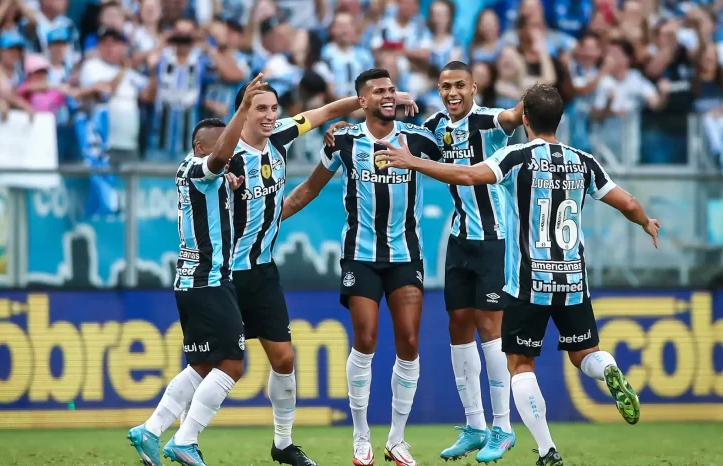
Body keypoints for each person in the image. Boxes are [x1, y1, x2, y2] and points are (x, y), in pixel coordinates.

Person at [374, 83, 659, 466]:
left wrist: (414, 162)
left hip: (530, 282)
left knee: (520, 366)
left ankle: (547, 450)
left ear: (525, 118)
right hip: (573, 281)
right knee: (584, 355)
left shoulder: (516, 157)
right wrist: (646, 222)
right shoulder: (583, 161)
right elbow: (629, 202)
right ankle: (607, 367)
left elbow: (468, 175)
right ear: (559, 119)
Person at [225, 77, 417, 466]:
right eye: (260, 108)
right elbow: (200, 179)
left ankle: (286, 444)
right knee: (221, 364)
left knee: (285, 359)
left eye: (273, 108)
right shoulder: (225, 155)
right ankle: (178, 433)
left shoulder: (281, 134)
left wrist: (378, 100)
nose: (270, 115)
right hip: (228, 272)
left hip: (267, 271)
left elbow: (327, 110)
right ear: (242, 111)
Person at [282, 68, 442, 466]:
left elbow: (459, 166)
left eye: (392, 89)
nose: (387, 96)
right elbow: (310, 189)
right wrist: (271, 219)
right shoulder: (344, 140)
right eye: (378, 91)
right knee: (366, 339)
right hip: (361, 255)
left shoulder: (419, 139)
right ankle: (361, 436)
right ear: (362, 101)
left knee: (409, 340)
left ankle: (397, 440)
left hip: (406, 254)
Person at [126, 75, 267, 466]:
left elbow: (218, 174)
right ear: (201, 147)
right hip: (208, 281)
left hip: (196, 281)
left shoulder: (203, 174)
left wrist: (229, 184)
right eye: (223, 144)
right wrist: (243, 108)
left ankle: (150, 430)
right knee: (232, 365)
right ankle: (185, 440)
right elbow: (217, 161)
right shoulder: (200, 167)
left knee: (203, 365)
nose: (230, 152)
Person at [421, 61, 523, 463]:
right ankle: (475, 425)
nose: (452, 93)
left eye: (460, 85)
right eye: (446, 86)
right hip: (460, 240)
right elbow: (399, 138)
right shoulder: (435, 125)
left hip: (495, 240)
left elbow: (512, 116)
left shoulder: (489, 122)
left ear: (474, 87)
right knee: (458, 325)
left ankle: (503, 426)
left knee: (490, 330)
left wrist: (529, 96)